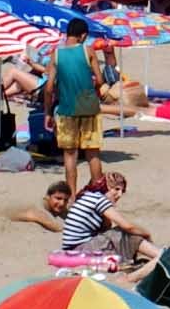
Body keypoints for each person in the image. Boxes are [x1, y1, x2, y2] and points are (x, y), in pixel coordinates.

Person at [42, 19, 106, 194]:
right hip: (90, 108)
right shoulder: (88, 51)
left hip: (67, 110)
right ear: (83, 35)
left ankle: (70, 197)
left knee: (70, 155)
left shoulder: (56, 55)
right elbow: (100, 80)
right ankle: (97, 193)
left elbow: (48, 88)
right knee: (92, 153)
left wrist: (48, 113)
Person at [60, 171, 159, 268]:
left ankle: (150, 255)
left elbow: (106, 229)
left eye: (122, 191)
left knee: (119, 234)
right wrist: (147, 234)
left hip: (75, 249)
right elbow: (128, 227)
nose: (119, 194)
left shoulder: (89, 196)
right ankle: (160, 255)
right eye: (116, 189)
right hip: (80, 250)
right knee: (126, 233)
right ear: (105, 187)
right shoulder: (99, 199)